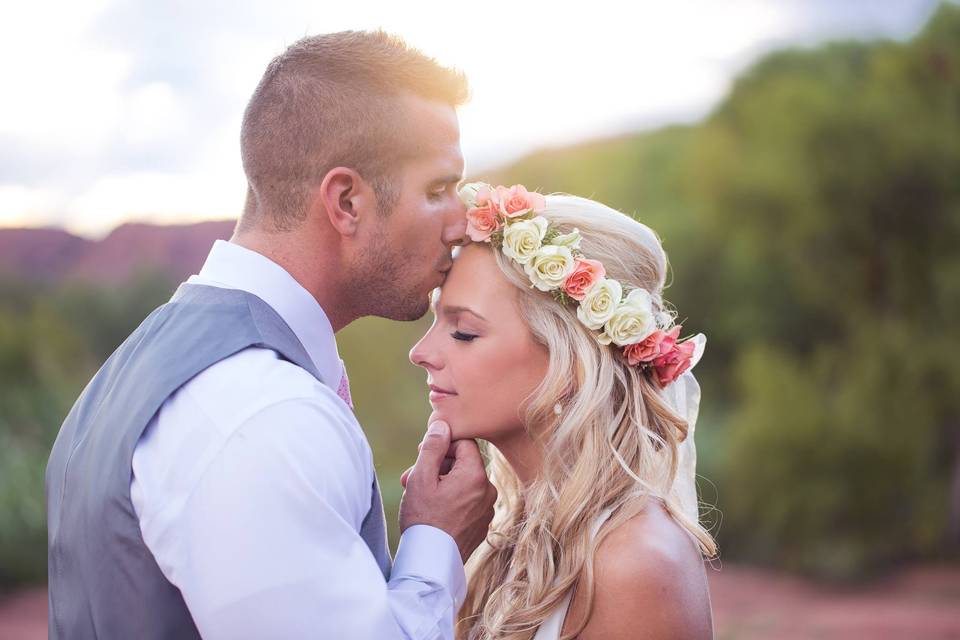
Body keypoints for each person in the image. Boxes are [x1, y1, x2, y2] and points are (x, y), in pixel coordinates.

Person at [45, 31, 496, 639]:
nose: (461, 219)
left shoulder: (153, 364)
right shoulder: (263, 413)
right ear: (346, 201)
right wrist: (435, 543)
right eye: (438, 189)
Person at [408, 184, 718, 639]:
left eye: (465, 332)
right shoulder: (500, 538)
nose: (420, 352)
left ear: (569, 361)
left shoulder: (635, 564)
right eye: (436, 323)